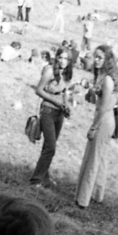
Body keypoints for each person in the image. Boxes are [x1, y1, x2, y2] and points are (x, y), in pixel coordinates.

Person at [75, 44, 118, 209]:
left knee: (92, 159)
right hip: (107, 119)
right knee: (101, 159)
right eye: (95, 57)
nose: (96, 60)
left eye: (100, 57)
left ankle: (83, 199)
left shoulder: (107, 80)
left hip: (104, 120)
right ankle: (97, 195)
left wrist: (93, 127)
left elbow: (102, 107)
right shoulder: (106, 77)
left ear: (108, 59)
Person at [29, 46, 74, 187]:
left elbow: (65, 92)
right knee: (51, 147)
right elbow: (39, 90)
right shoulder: (50, 71)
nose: (62, 61)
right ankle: (35, 180)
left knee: (48, 146)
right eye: (60, 57)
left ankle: (44, 175)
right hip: (48, 111)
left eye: (66, 58)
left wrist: (66, 106)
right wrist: (55, 101)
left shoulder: (67, 73)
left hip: (59, 114)